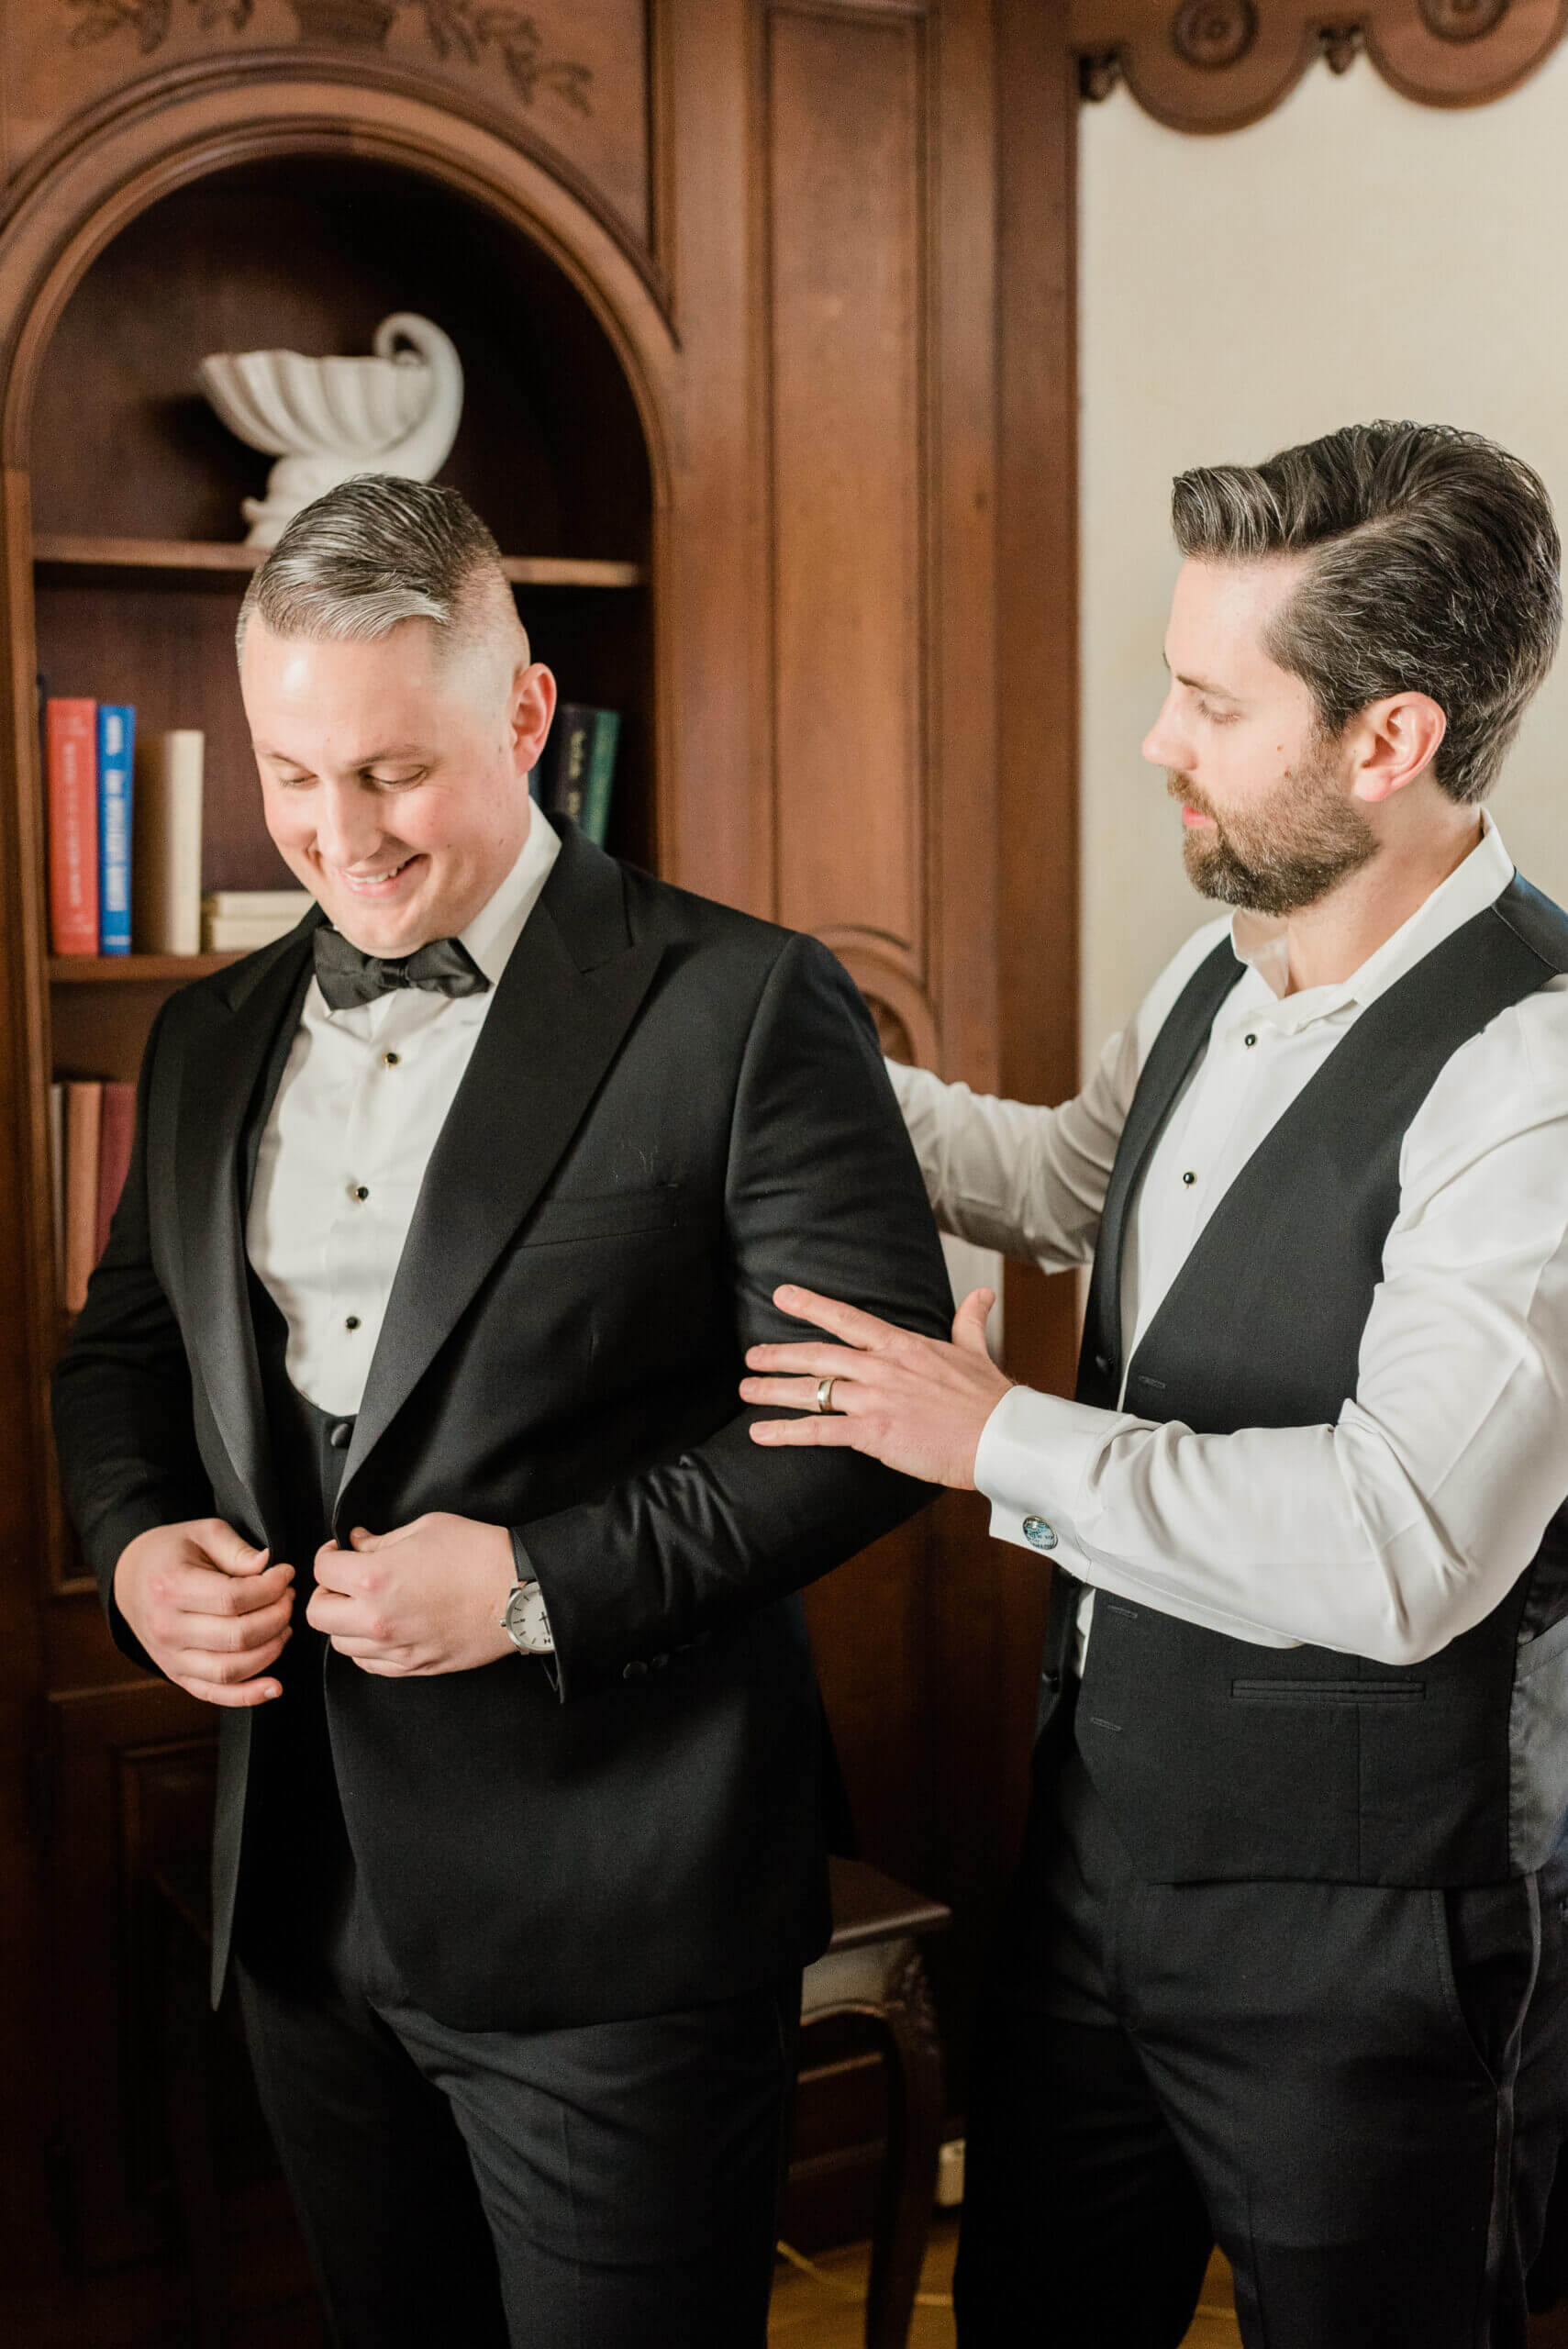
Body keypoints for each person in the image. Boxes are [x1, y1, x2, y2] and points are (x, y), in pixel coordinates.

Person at [51, 474, 955, 2349]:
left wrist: (537, 1579)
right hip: (298, 1900)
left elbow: (863, 1425)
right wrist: (138, 1548)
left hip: (621, 1913)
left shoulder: (746, 1000)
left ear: (526, 715)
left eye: (390, 772)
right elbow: (121, 1357)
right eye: (291, 775)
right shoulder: (206, 1031)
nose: (336, 835)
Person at [740, 421, 1568, 2347]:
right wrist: (760, 1046)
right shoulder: (1219, 965)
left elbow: (1401, 1543)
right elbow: (1058, 1183)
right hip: (1100, 1853)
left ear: (1390, 740)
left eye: (1209, 699)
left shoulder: (1534, 1071)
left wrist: (993, 1437)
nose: (1158, 742)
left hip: (1377, 1938)